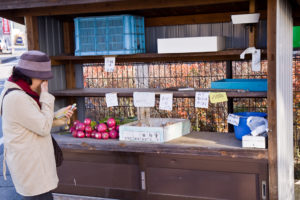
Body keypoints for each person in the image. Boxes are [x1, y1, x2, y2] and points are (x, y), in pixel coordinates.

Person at [0, 50, 76, 200]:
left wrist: (56, 116)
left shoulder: (18, 91)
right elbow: (42, 127)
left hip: (32, 164)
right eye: (43, 79)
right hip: (31, 168)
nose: (44, 83)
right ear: (31, 76)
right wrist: (46, 97)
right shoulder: (17, 97)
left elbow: (31, 121)